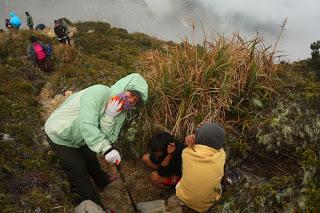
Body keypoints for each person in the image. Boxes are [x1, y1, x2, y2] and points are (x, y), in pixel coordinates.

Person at [44, 73, 148, 209]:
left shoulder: (121, 112)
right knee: (78, 171)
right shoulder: (98, 92)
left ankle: (102, 181)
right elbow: (86, 124)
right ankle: (96, 207)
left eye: (134, 100)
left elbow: (109, 138)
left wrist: (109, 117)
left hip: (83, 137)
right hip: (60, 133)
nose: (130, 100)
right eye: (130, 94)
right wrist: (106, 149)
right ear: (123, 87)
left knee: (90, 156)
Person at [176, 123, 226, 212]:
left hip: (185, 199)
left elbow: (189, 146)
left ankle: (185, 202)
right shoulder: (221, 156)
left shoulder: (186, 153)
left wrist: (192, 138)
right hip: (207, 205)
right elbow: (220, 148)